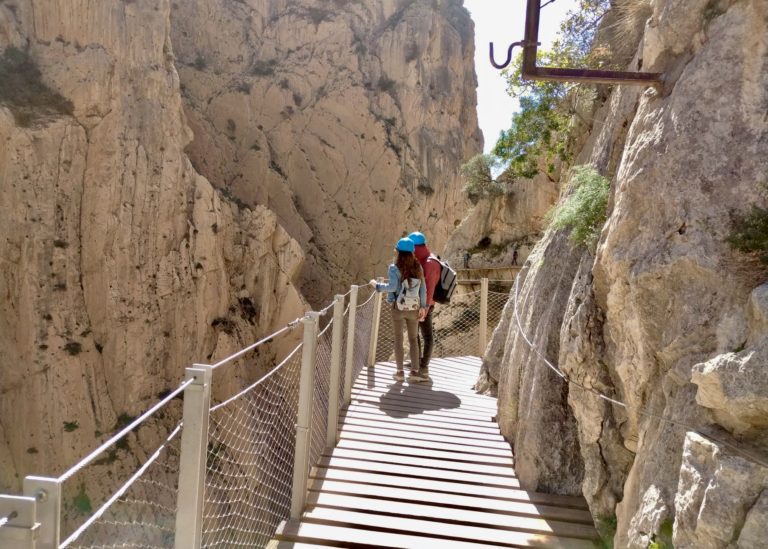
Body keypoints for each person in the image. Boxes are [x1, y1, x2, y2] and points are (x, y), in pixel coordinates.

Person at [370, 237, 429, 383]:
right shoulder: (418, 267)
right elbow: (423, 289)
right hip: (414, 309)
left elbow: (392, 287)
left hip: (399, 307)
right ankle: (415, 372)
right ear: (412, 252)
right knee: (414, 339)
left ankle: (400, 373)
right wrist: (423, 306)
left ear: (398, 252)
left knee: (398, 340)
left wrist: (376, 285)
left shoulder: (394, 268)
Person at [408, 231, 441, 380]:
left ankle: (424, 368)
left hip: (426, 305)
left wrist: (425, 307)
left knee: (427, 336)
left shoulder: (430, 263)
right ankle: (417, 362)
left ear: (416, 247)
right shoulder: (423, 260)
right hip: (418, 304)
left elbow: (429, 287)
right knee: (415, 335)